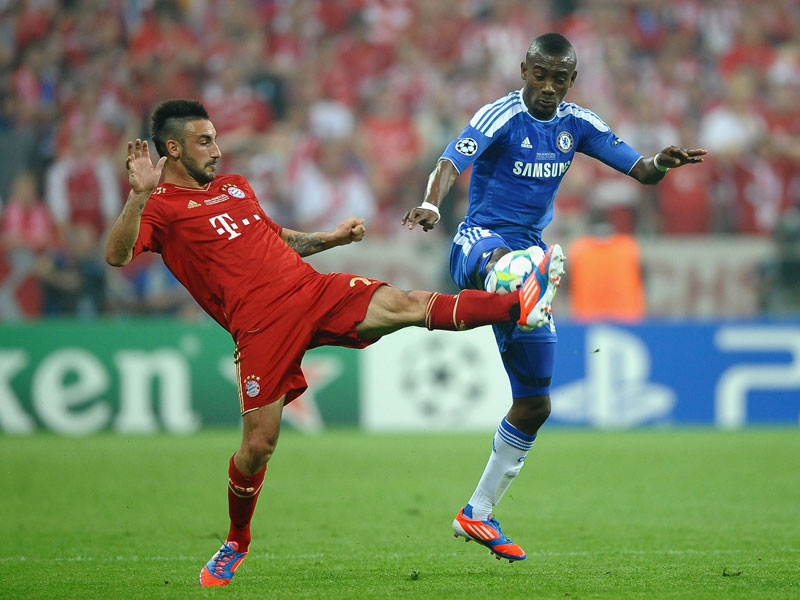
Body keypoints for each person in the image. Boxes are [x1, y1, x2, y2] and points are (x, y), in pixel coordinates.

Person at [104, 99, 551, 587]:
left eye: (215, 137)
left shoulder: (235, 187)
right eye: (204, 140)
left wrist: (332, 239)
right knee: (257, 446)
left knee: (403, 305)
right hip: (259, 328)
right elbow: (118, 255)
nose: (217, 149)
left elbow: (275, 238)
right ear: (173, 147)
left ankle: (519, 304)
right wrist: (138, 197)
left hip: (310, 291)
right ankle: (236, 541)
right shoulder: (159, 208)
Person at [401, 32, 707, 562]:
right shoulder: (500, 115)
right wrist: (430, 205)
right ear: (523, 69)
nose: (547, 87)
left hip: (531, 254)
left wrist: (661, 161)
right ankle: (525, 281)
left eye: (558, 79)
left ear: (572, 80)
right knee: (516, 267)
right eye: (539, 75)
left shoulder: (578, 125)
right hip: (480, 244)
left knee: (536, 403)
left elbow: (639, 170)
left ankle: (476, 513)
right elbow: (452, 160)